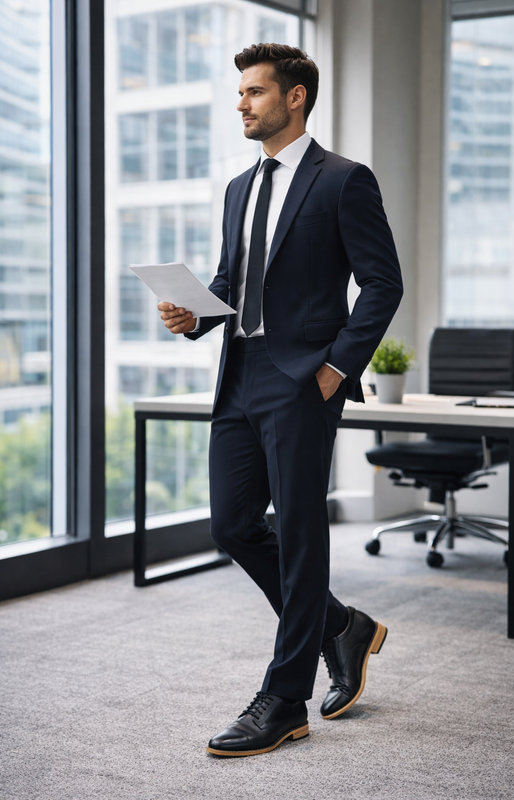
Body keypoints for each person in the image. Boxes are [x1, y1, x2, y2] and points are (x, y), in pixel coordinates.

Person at [158, 43, 403, 757]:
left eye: (254, 91)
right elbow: (231, 283)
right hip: (240, 371)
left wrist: (335, 369)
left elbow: (382, 284)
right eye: (240, 92)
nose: (241, 103)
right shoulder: (240, 187)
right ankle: (341, 626)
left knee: (298, 535)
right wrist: (193, 315)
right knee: (233, 524)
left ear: (295, 97)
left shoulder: (344, 180)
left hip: (303, 378)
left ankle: (285, 699)